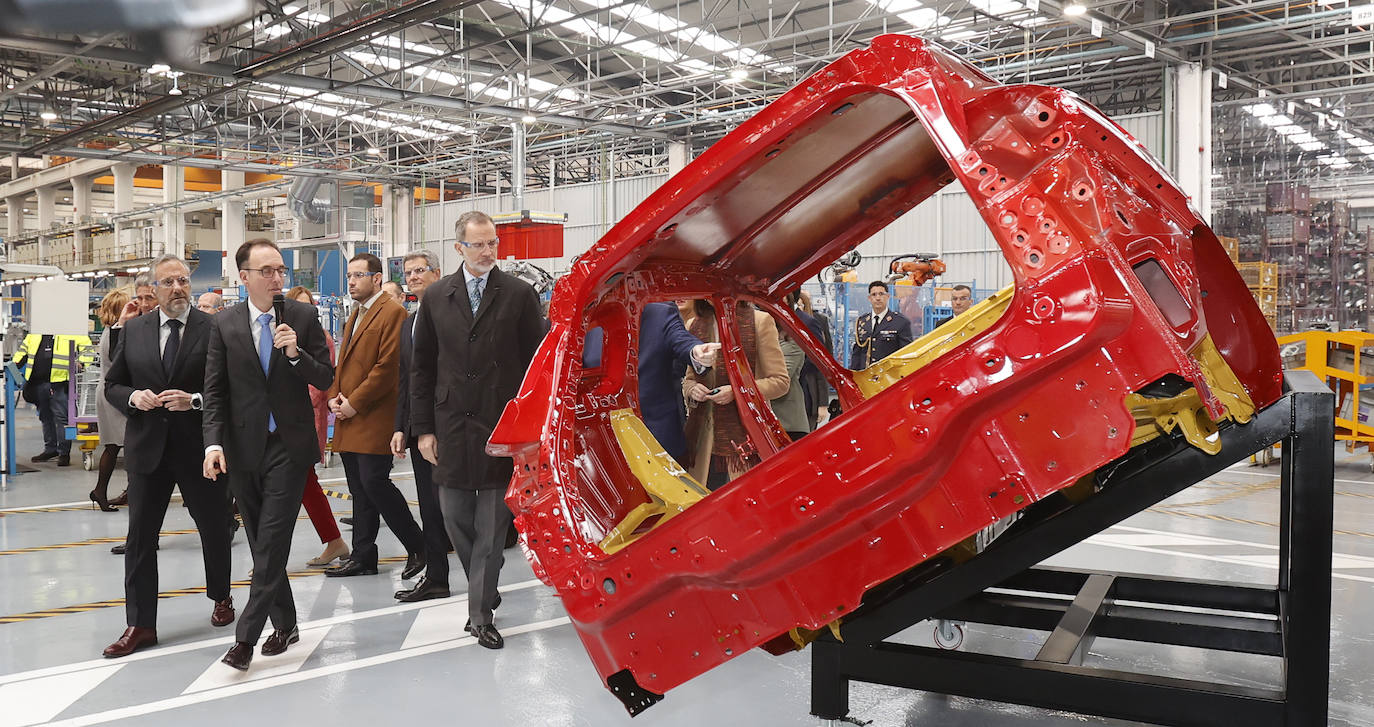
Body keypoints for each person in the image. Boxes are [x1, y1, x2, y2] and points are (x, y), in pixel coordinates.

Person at [411, 211, 544, 650]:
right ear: (459, 248)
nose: (488, 251)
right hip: (449, 427)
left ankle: (479, 616)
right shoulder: (434, 297)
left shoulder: (520, 295)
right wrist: (423, 429)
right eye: (479, 245)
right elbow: (422, 368)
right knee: (453, 517)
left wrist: (529, 427)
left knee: (490, 528)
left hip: (500, 427)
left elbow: (535, 367)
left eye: (493, 244)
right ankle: (482, 588)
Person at [202, 238, 333, 671]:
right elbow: (216, 390)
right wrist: (214, 442)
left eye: (280, 270)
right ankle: (288, 623)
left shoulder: (301, 316)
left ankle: (245, 639)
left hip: (289, 447)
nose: (277, 278)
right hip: (243, 449)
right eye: (266, 271)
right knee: (262, 543)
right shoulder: (223, 324)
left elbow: (325, 375)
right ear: (244, 278)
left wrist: (295, 355)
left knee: (273, 538)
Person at [100, 254, 235, 658]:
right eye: (168, 282)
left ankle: (222, 597)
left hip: (199, 448)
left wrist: (193, 401)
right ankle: (140, 624)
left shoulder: (214, 328)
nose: (177, 288)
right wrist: (133, 397)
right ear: (153, 290)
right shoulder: (136, 329)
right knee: (140, 538)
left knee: (214, 527)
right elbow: (112, 384)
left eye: (182, 280)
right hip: (148, 451)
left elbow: (227, 389)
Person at [324, 253, 424, 579]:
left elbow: (387, 368)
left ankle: (419, 546)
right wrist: (335, 397)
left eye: (358, 275)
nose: (351, 281)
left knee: (374, 482)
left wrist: (354, 402)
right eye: (349, 276)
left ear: (377, 278)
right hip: (350, 415)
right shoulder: (356, 314)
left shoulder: (392, 313)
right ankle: (364, 555)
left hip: (374, 416)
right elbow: (343, 362)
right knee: (359, 489)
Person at [392, 250, 453, 603]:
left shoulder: (453, 314)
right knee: (429, 507)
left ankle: (483, 586)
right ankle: (437, 577)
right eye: (409, 272)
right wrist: (402, 425)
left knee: (460, 509)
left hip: (449, 426)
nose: (413, 277)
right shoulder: (409, 321)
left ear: (437, 272)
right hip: (419, 429)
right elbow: (408, 379)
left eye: (420, 270)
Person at [682, 300, 790, 490]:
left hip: (745, 439)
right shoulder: (694, 324)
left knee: (746, 505)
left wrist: (737, 392)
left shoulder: (759, 321)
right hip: (702, 441)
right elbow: (689, 379)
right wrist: (692, 389)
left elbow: (780, 382)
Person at [285, 286, 349, 568]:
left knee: (302, 483)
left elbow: (322, 379)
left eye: (307, 308)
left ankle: (333, 541)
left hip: (306, 420)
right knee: (303, 485)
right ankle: (334, 540)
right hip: (282, 422)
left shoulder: (320, 337)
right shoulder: (277, 337)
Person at [14, 330, 93, 467]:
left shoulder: (73, 330)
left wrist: (82, 363)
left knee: (63, 419)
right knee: (45, 417)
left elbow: (88, 351)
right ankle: (50, 449)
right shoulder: (35, 334)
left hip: (61, 383)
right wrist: (11, 369)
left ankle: (64, 453)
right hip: (38, 383)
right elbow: (21, 354)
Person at [90, 289, 133, 511]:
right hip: (113, 397)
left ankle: (105, 491)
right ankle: (114, 491)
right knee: (124, 445)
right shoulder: (116, 333)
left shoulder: (109, 331)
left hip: (107, 393)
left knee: (114, 446)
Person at [849, 281, 912, 370]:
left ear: (888, 297)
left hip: (889, 376)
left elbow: (906, 354)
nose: (878, 298)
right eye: (874, 295)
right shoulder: (862, 322)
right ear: (869, 298)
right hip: (866, 376)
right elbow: (857, 354)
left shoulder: (900, 322)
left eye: (881, 294)